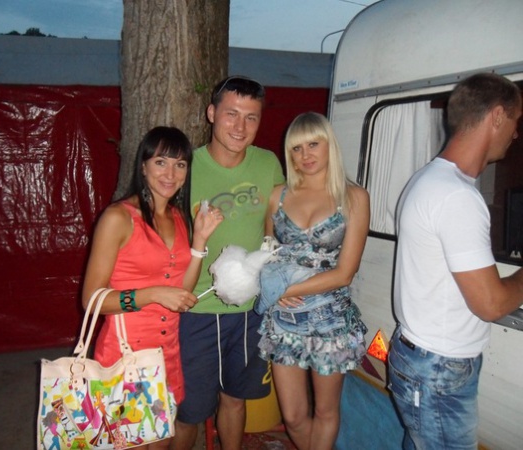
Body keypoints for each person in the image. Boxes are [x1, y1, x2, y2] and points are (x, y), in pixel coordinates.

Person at [388, 72, 523, 450]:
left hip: (423, 359)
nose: (516, 133)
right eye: (516, 121)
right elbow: (490, 304)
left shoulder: (428, 178)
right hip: (438, 369)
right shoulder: (456, 196)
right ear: (497, 116)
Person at [80, 126, 223, 450]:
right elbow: (91, 299)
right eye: (161, 162)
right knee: (129, 444)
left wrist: (200, 241)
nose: (170, 174)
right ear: (143, 166)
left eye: (180, 164)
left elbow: (182, 294)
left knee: (160, 442)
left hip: (167, 354)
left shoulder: (178, 217)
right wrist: (152, 294)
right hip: (124, 355)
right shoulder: (118, 217)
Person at [171, 76, 285, 450]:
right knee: (189, 412)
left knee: (235, 400)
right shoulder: (187, 168)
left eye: (251, 117)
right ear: (211, 113)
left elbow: (279, 225)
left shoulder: (267, 163)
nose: (240, 126)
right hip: (196, 309)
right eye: (231, 114)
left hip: (250, 310)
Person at [255, 112, 370, 450]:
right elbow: (267, 254)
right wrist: (270, 284)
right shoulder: (278, 195)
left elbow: (345, 273)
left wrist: (284, 290)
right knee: (292, 416)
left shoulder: (353, 197)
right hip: (284, 320)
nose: (305, 155)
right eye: (296, 148)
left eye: (313, 145)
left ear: (329, 145)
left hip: (329, 319)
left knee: (325, 410)